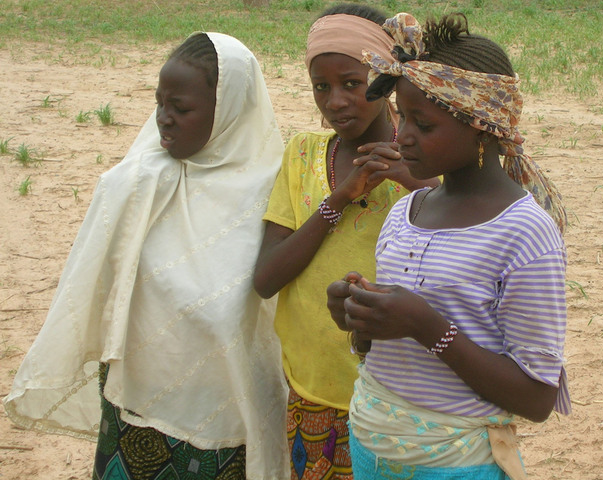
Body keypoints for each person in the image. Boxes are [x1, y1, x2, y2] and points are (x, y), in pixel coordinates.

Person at [3, 32, 289, 480]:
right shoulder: (137, 180)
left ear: (231, 111)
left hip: (224, 415)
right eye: (160, 104)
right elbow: (93, 286)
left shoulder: (271, 190)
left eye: (182, 108)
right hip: (135, 398)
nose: (164, 120)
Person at [326, 12, 570, 480]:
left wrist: (425, 324)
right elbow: (382, 349)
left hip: (453, 463)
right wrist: (359, 317)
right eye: (402, 116)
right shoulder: (406, 211)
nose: (402, 136)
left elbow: (536, 398)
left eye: (424, 123)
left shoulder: (524, 233)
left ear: (482, 126)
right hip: (371, 445)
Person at [253, 4, 438, 479]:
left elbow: (472, 250)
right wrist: (340, 196)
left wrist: (417, 181)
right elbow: (267, 278)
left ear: (385, 83)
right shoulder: (303, 154)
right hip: (314, 390)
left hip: (402, 399)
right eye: (322, 87)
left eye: (352, 84)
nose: (335, 101)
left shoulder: (430, 161)